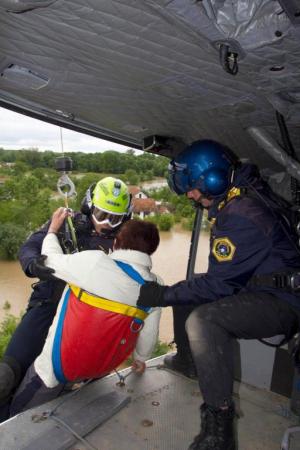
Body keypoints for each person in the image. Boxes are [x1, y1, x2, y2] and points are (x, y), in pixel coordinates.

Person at [137, 139, 300, 450]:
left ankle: (219, 432)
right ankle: (188, 361)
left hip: (286, 303)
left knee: (204, 321)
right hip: (271, 288)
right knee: (190, 291)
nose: (190, 195)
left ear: (212, 179)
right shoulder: (244, 194)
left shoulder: (239, 214)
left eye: (192, 187)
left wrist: (160, 295)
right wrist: (172, 294)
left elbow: (218, 285)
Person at [0, 176, 132, 421]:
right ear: (88, 206)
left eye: (114, 218)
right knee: (6, 377)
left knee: (73, 386)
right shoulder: (65, 223)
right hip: (48, 307)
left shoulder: (125, 244)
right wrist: (33, 264)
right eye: (101, 214)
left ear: (125, 217)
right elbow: (29, 246)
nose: (105, 223)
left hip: (87, 322)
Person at [9, 213, 161, 416]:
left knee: (19, 416)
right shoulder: (156, 286)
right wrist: (141, 358)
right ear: (150, 250)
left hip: (56, 369)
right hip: (100, 369)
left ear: (116, 244)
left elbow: (49, 260)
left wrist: (52, 230)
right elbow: (147, 338)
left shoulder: (95, 264)